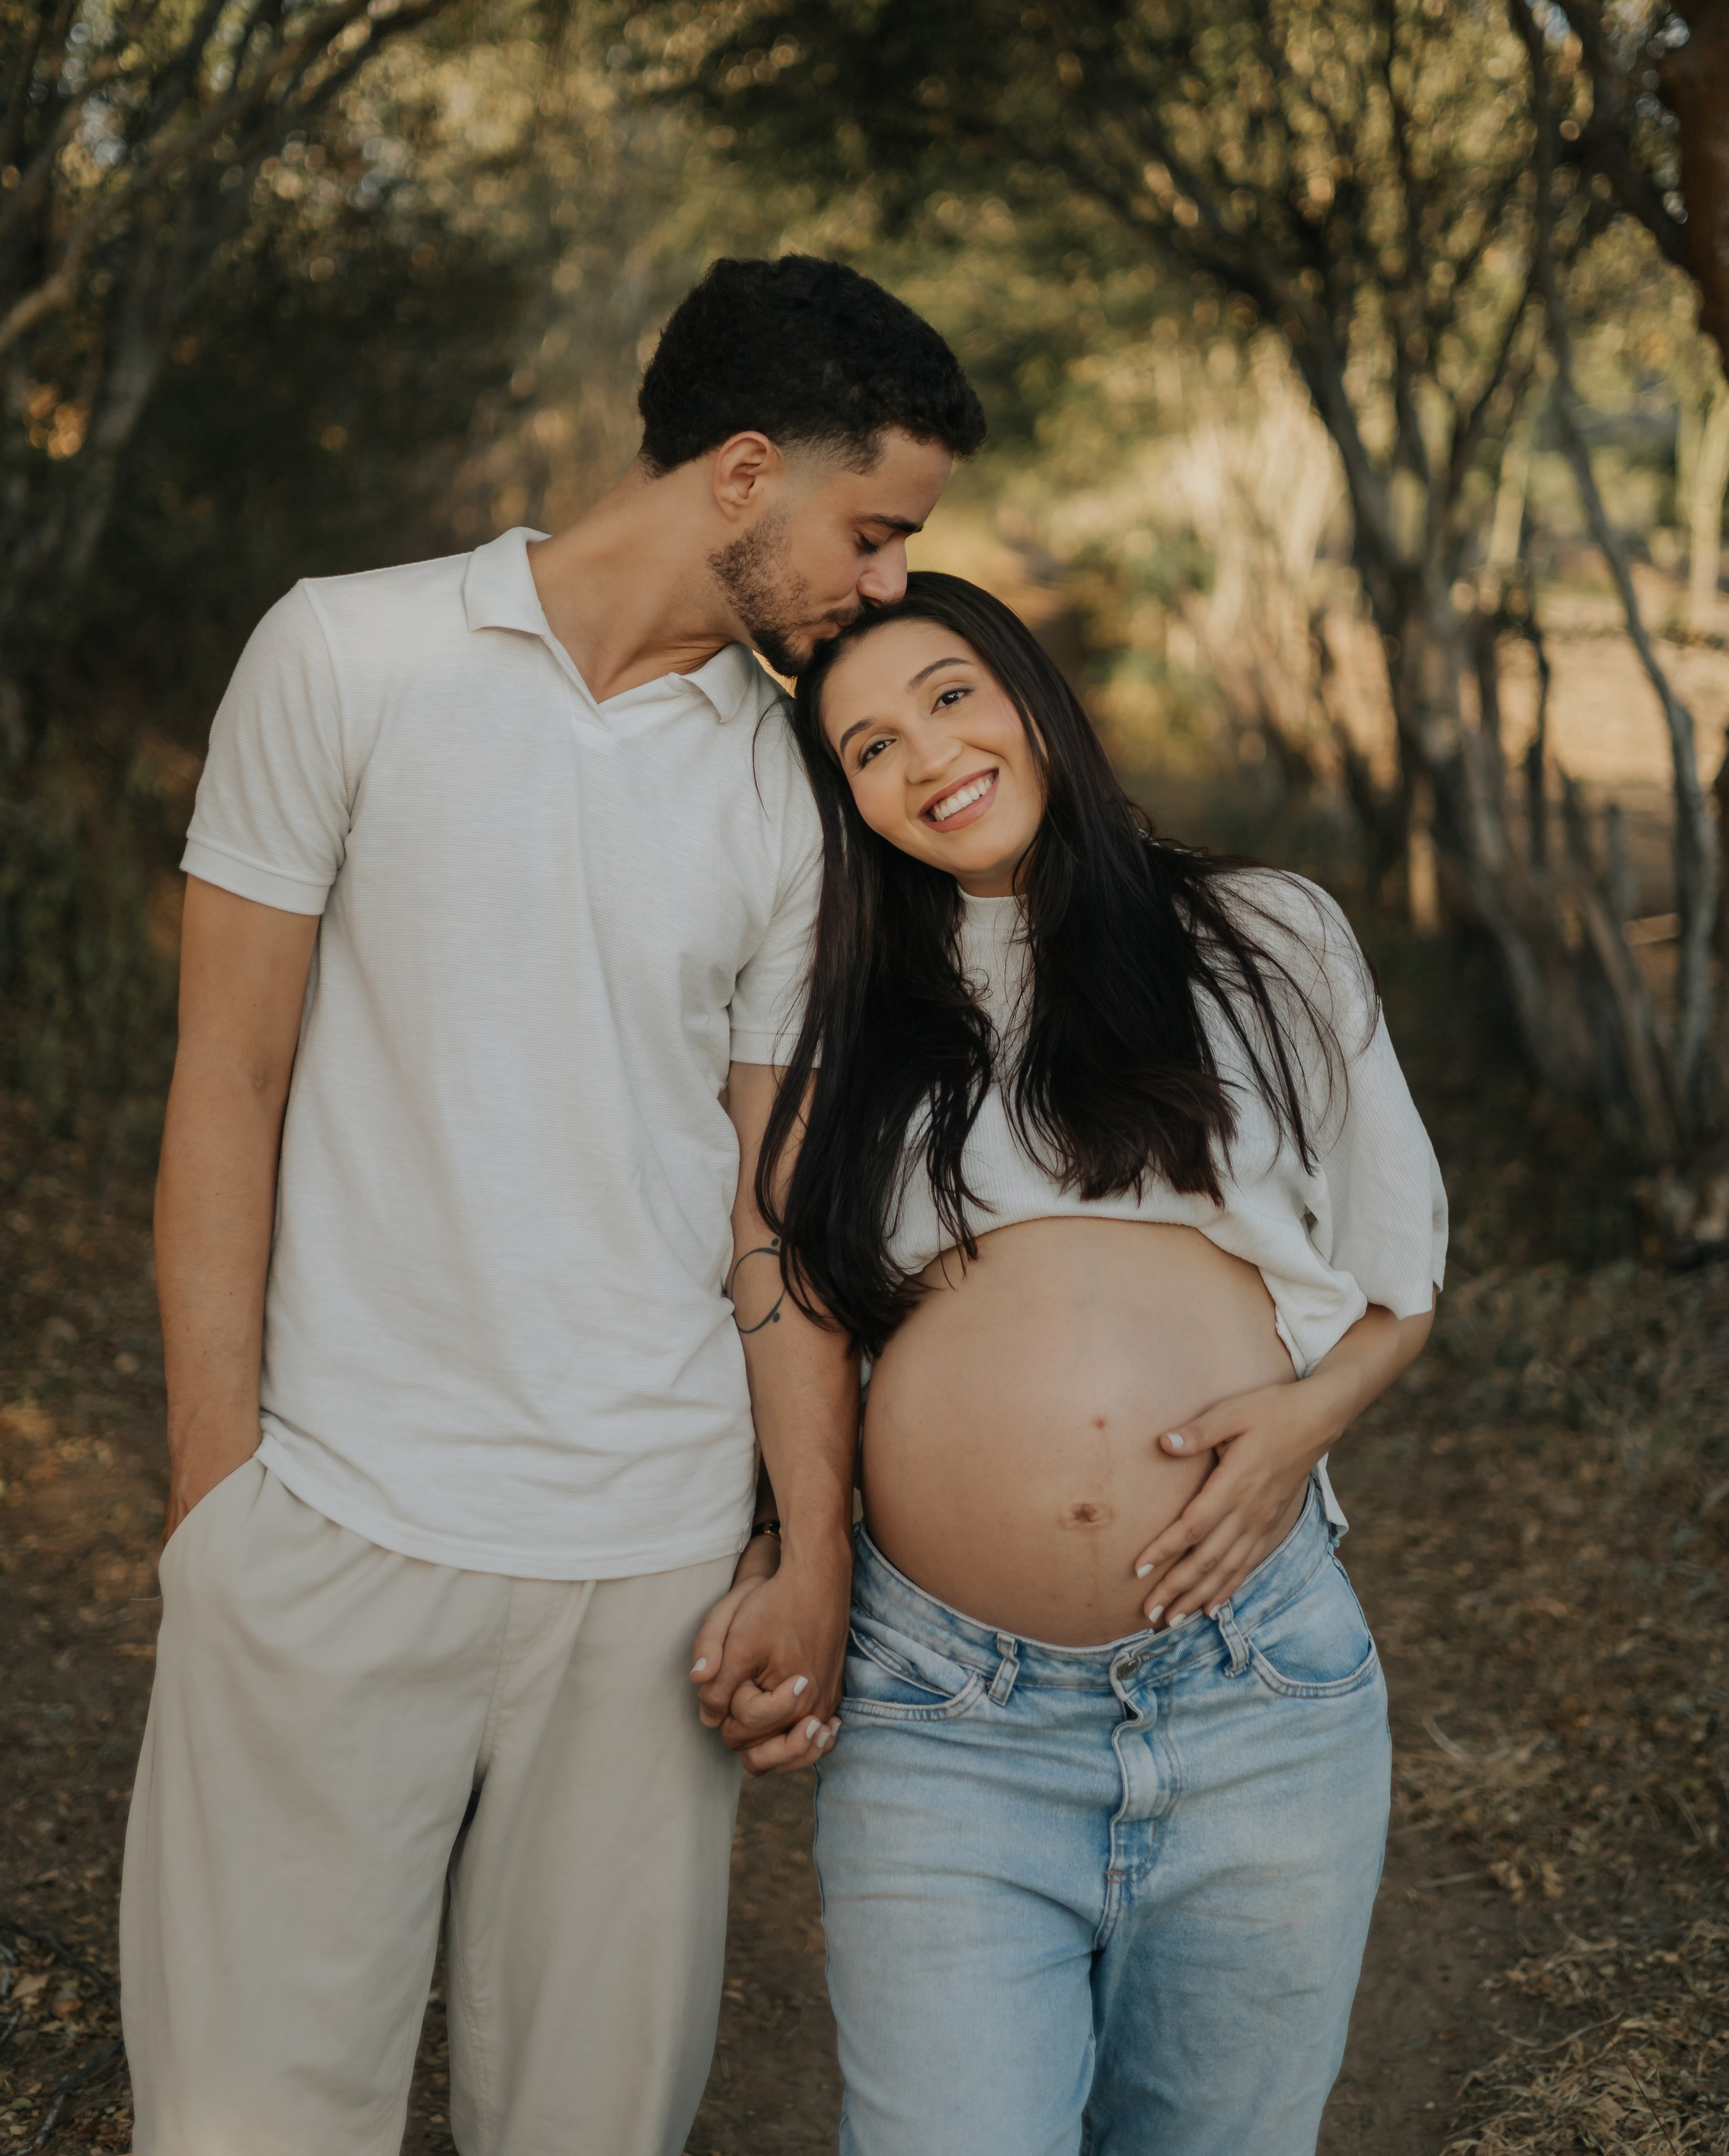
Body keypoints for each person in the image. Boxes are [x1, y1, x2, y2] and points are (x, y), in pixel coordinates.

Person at [120, 258, 984, 2156]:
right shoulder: (347, 654)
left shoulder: (791, 791)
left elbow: (774, 1201)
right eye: (876, 529)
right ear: (745, 473)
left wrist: (808, 1545)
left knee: (590, 2126)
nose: (890, 582)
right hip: (336, 1523)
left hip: (649, 1574)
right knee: (245, 2122)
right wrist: (216, 1510)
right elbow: (227, 1090)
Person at [752, 571, 1447, 2156]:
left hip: (1255, 1692)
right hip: (943, 1714)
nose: (922, 759)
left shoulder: (1263, 932)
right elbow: (789, 1301)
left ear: (1027, 690)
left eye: (945, 697)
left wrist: (1293, 1432)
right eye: (863, 750)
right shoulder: (836, 1003)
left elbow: (1401, 1281)